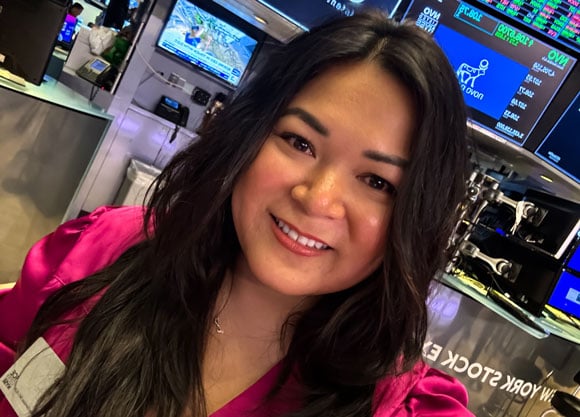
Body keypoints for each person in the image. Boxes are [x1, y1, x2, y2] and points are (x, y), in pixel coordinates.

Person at [0, 10, 473, 417]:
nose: (316, 197)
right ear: (248, 136)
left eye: (377, 182)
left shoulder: (403, 405)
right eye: (299, 142)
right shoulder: (102, 251)